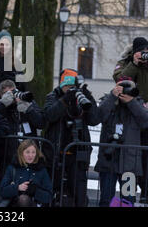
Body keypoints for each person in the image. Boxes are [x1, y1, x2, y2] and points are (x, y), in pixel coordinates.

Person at [113, 36, 148, 202]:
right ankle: (128, 193)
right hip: (128, 119)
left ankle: (145, 192)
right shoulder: (125, 63)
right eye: (140, 52)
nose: (143, 55)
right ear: (134, 52)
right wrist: (134, 64)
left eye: (146, 52)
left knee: (146, 156)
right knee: (129, 156)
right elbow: (120, 80)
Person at [42, 68, 99, 207]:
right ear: (61, 86)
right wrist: (65, 100)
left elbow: (94, 119)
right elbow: (49, 115)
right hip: (56, 151)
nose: (70, 90)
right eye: (66, 87)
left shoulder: (82, 97)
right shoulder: (53, 96)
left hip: (78, 152)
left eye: (72, 87)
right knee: (52, 190)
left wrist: (88, 98)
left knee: (78, 191)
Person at [94, 78, 148, 206]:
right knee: (105, 200)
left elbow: (147, 122)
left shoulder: (137, 103)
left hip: (129, 164)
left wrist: (131, 102)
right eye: (122, 87)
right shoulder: (108, 100)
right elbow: (97, 117)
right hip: (108, 160)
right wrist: (112, 96)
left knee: (128, 201)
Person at [0, 79, 44, 191]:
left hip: (28, 154)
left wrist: (28, 109)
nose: (13, 96)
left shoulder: (27, 101)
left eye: (13, 92)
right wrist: (2, 104)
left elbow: (40, 123)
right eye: (8, 94)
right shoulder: (1, 106)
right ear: (1, 95)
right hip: (7, 154)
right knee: (4, 186)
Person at [0, 139, 52, 207]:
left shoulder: (41, 169)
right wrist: (17, 188)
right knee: (23, 200)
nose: (31, 155)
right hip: (14, 203)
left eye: (33, 152)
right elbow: (2, 191)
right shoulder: (13, 168)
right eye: (27, 152)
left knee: (24, 200)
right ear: (21, 153)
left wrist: (35, 191)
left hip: (34, 204)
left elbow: (49, 196)